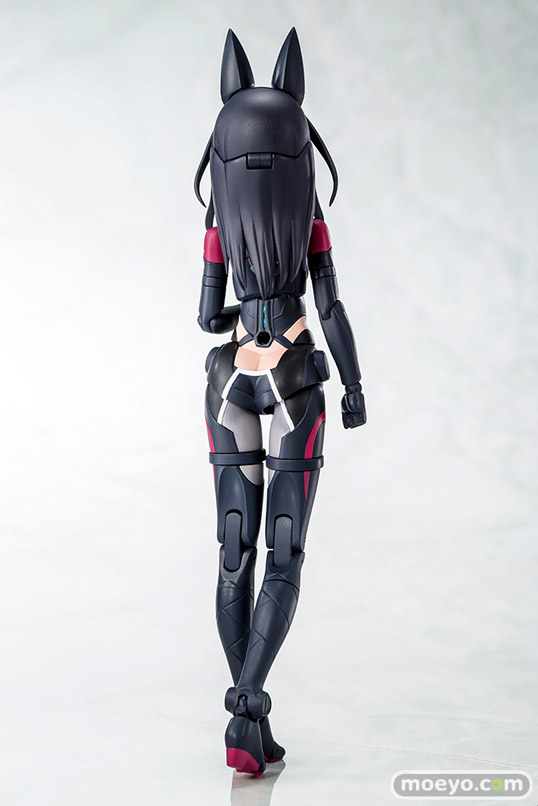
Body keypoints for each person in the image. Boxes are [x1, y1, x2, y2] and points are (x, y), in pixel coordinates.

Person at [194, 28, 367, 775]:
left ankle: (248, 716)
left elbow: (208, 316)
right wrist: (354, 384)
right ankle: (248, 706)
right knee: (283, 554)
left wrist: (243, 308)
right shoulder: (310, 218)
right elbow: (330, 307)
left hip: (230, 377)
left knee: (235, 551)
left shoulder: (217, 222)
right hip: (295, 371)